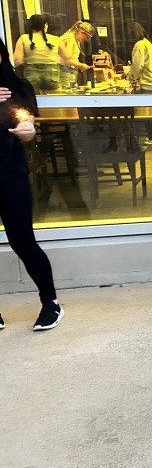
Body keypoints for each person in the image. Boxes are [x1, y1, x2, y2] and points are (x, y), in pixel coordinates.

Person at [0, 37, 64, 332]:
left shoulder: (19, 88)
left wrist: (27, 132)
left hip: (9, 171)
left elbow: (28, 130)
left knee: (23, 240)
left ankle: (50, 302)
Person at [12, 15, 61, 93]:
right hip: (51, 72)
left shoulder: (23, 38)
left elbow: (17, 60)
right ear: (45, 25)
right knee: (57, 100)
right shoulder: (56, 39)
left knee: (34, 100)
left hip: (31, 72)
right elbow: (67, 57)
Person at [58, 21, 94, 88]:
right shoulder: (69, 39)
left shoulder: (74, 38)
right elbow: (67, 60)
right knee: (67, 94)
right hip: (65, 71)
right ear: (81, 32)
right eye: (87, 37)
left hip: (69, 71)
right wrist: (81, 65)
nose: (86, 40)